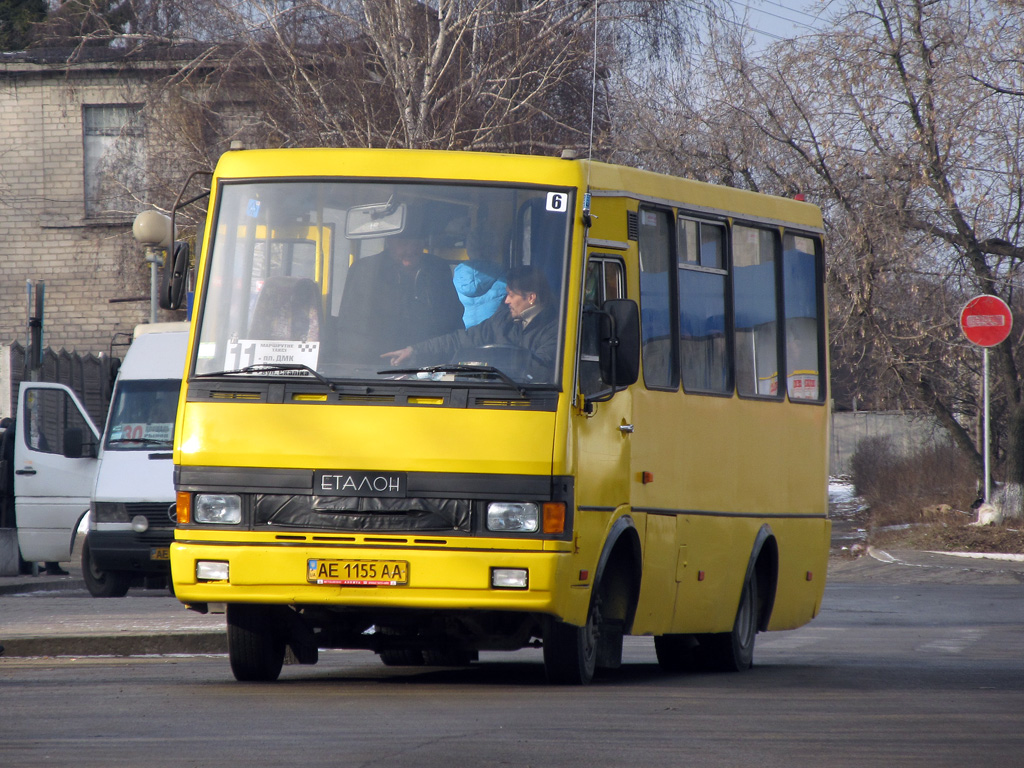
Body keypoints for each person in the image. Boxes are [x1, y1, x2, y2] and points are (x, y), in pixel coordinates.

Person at [382, 266, 558, 383]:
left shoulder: (556, 329)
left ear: (531, 297)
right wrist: (414, 350)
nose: (506, 301)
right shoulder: (502, 320)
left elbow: (537, 370)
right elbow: (461, 340)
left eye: (511, 295)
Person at [333, 227, 464, 364]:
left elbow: (454, 320)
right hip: (378, 369)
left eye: (417, 242)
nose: (412, 249)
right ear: (390, 240)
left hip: (432, 367)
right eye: (404, 242)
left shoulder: (438, 268)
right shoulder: (366, 270)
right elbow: (350, 330)